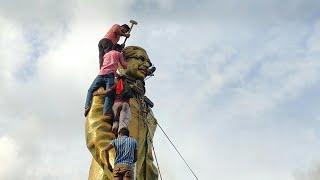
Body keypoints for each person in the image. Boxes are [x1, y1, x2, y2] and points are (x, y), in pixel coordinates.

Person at [85, 44, 128, 117]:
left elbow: (108, 66)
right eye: (120, 49)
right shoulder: (118, 54)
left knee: (90, 90)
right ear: (118, 49)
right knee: (109, 93)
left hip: (100, 75)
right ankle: (106, 111)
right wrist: (127, 64)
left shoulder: (106, 55)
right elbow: (124, 65)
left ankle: (87, 106)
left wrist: (117, 75)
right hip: (109, 76)